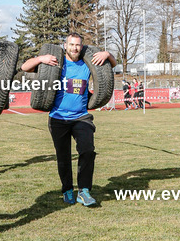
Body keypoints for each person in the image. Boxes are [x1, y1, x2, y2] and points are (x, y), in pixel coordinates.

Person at [22, 34, 116, 206]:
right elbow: (25, 67)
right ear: (65, 46)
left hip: (81, 116)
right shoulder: (54, 63)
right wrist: (41, 58)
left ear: (81, 46)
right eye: (71, 45)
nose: (75, 48)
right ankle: (67, 190)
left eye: (78, 45)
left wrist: (107, 55)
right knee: (63, 157)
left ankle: (84, 190)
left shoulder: (88, 64)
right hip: (58, 118)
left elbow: (111, 67)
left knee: (87, 151)